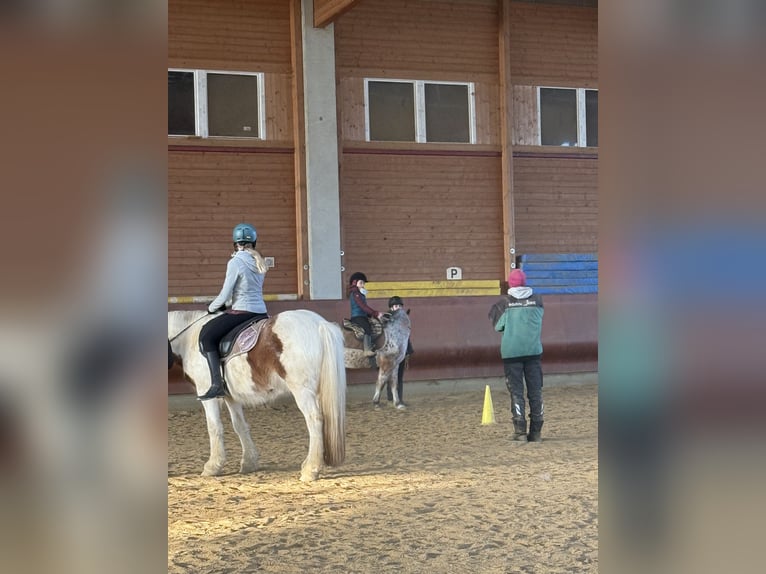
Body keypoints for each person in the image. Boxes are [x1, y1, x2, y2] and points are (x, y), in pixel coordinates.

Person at [197, 223, 269, 400]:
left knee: (206, 337)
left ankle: (217, 385)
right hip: (260, 312)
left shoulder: (235, 262)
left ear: (235, 243)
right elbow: (246, 290)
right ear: (254, 242)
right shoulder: (259, 262)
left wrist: (212, 307)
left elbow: (225, 294)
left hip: (243, 312)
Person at [488, 269, 545, 442]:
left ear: (510, 283)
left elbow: (498, 326)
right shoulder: (538, 300)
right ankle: (536, 431)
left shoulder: (503, 304)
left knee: (516, 392)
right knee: (535, 391)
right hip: (533, 351)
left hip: (511, 353)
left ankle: (520, 430)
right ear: (525, 282)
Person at [386, 296, 414, 406]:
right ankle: (390, 399)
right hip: (390, 353)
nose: (397, 308)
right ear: (391, 308)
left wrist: (408, 350)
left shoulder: (404, 320)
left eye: (399, 306)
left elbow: (407, 337)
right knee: (389, 376)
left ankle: (399, 399)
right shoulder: (387, 319)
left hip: (401, 352)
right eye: (395, 306)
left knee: (399, 377)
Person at [348, 272, 383, 357]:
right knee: (367, 328)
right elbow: (363, 306)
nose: (363, 285)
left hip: (363, 315)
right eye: (361, 283)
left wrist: (370, 315)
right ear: (355, 283)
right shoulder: (356, 294)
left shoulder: (360, 294)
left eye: (363, 283)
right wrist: (375, 313)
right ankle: (367, 350)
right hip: (357, 316)